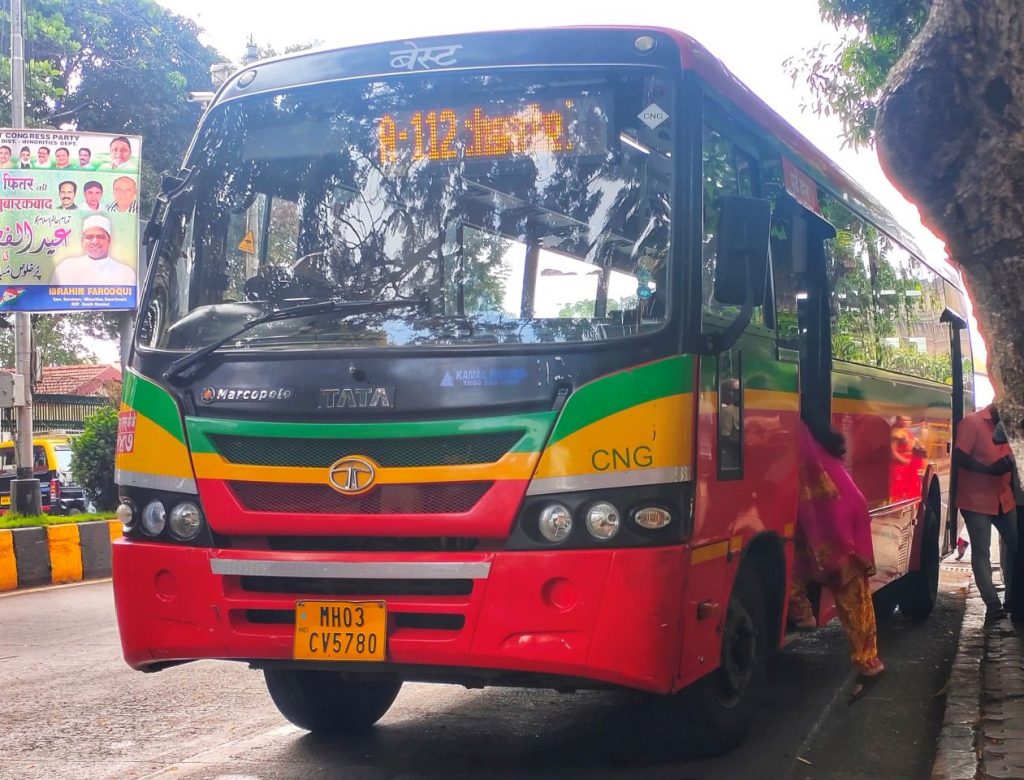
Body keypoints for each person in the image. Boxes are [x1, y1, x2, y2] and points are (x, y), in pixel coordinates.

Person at [788, 412, 885, 695]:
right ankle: (804, 615)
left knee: (851, 592)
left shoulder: (795, 429)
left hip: (836, 517)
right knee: (795, 565)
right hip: (838, 509)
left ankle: (869, 664)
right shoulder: (809, 430)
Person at [954, 402, 1017, 621]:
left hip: (1003, 497)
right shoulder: (973, 423)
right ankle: (993, 604)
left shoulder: (1009, 424)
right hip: (976, 499)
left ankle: (1013, 599)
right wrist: (988, 470)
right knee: (981, 552)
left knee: (1016, 545)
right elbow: (959, 456)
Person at [50, 214, 135, 286]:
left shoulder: (126, 272)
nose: (95, 242)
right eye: (89, 237)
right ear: (82, 241)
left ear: (109, 240)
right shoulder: (66, 267)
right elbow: (51, 300)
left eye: (100, 237)